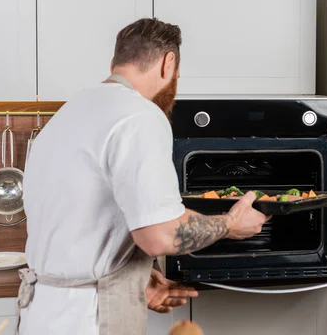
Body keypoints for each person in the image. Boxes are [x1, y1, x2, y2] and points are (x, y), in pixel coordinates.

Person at [17, 18, 270, 334]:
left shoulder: (69, 113)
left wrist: (131, 278)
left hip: (41, 313)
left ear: (114, 64)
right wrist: (230, 224)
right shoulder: (139, 116)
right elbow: (159, 236)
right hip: (89, 320)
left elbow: (80, 222)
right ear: (169, 63)